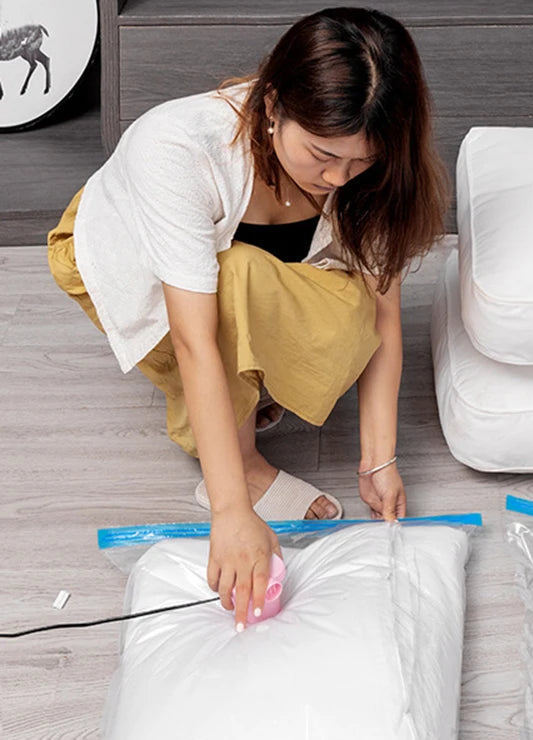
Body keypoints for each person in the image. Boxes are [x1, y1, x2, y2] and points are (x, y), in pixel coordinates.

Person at [47, 7, 449, 629]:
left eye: (360, 160)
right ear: (271, 108)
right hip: (128, 252)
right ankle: (241, 464)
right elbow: (194, 338)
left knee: (347, 311)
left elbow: (384, 313)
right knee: (229, 280)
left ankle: (248, 395)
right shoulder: (178, 148)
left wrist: (379, 460)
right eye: (322, 155)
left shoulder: (366, 173)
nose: (339, 178)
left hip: (242, 266)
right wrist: (232, 511)